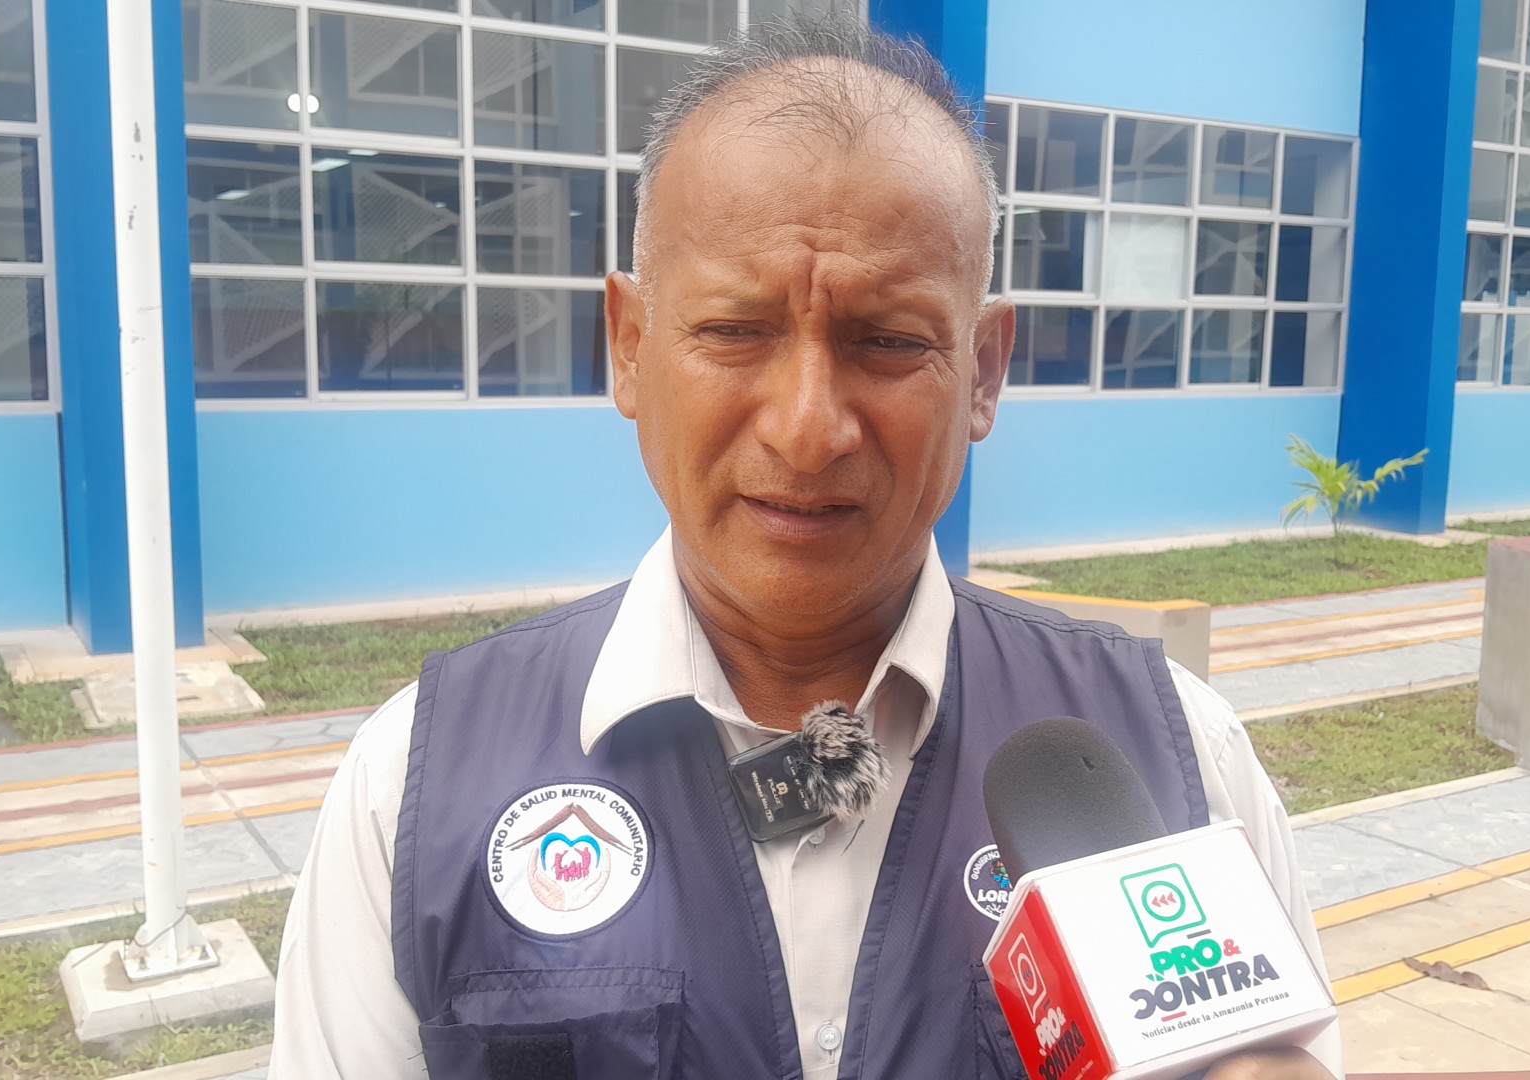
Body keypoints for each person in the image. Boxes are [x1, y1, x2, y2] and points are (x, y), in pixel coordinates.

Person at [271, 19, 1340, 1080]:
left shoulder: (1179, 760)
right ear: (631, 347)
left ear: (983, 372)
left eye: (890, 341)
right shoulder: (413, 790)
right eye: (735, 330)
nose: (807, 428)